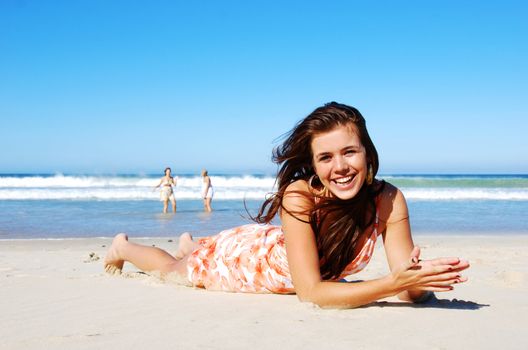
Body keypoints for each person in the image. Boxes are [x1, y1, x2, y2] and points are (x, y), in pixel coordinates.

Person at [106, 102, 469, 308]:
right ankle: (124, 245)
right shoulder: (300, 195)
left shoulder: (388, 200)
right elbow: (311, 292)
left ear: (367, 154)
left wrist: (418, 278)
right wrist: (391, 283)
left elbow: (409, 292)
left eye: (349, 152)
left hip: (279, 248)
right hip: (253, 262)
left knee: (196, 254)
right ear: (313, 165)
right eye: (325, 157)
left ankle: (195, 243)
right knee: (176, 271)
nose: (340, 167)